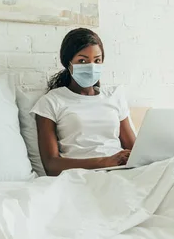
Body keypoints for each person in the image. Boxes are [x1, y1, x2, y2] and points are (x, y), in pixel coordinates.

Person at [31, 28, 136, 176]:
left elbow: (136, 151)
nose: (91, 66)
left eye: (97, 60)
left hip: (121, 172)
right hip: (81, 176)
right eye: (82, 61)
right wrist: (105, 162)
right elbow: (51, 165)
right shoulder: (51, 102)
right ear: (68, 63)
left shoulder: (114, 96)